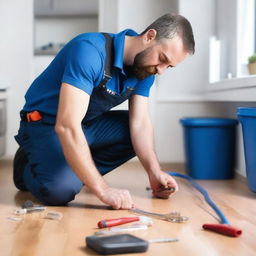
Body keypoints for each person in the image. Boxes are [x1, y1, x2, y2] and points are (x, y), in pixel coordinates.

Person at [13, 13, 195, 209]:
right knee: (60, 192)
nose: (161, 70)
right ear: (149, 36)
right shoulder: (89, 50)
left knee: (132, 131)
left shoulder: (146, 69)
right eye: (162, 59)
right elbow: (66, 125)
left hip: (86, 124)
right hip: (45, 124)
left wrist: (154, 171)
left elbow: (140, 123)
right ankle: (26, 165)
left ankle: (75, 171)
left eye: (169, 66)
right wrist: (103, 189)